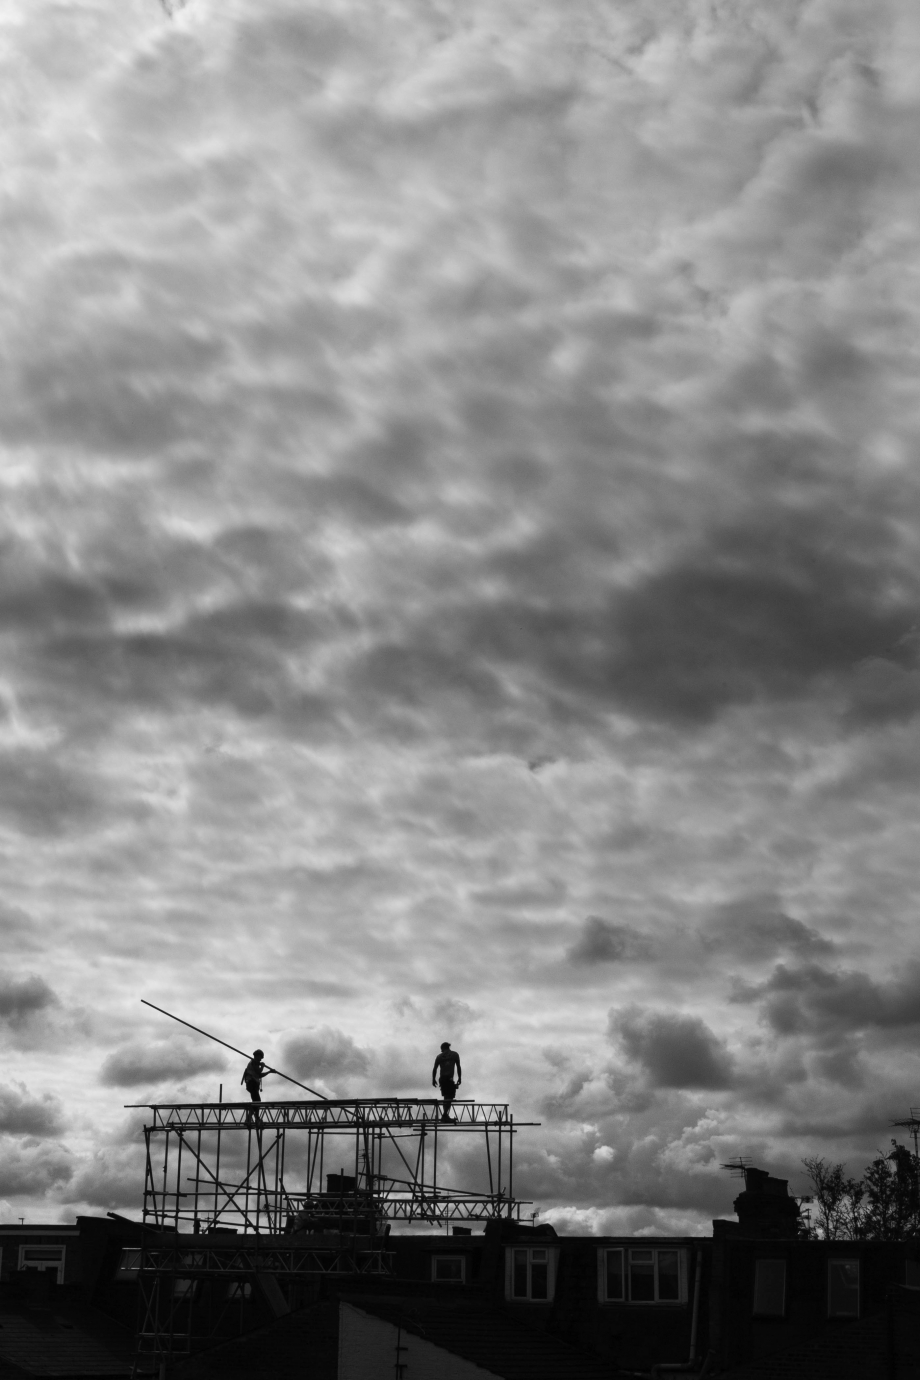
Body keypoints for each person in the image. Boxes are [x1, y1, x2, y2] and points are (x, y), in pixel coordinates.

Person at [431, 1042, 461, 1122]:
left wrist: (433, 1079)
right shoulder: (455, 1054)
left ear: (442, 1048)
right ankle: (444, 1115)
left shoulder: (439, 1056)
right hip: (449, 1079)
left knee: (446, 1097)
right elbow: (458, 1067)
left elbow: (435, 1069)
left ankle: (445, 1115)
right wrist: (459, 1078)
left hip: (442, 1079)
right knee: (449, 1097)